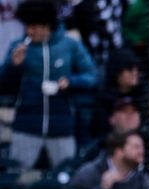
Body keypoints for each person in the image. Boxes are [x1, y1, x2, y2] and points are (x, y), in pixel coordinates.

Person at [0, 0, 97, 169]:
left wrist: (71, 82)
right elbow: (3, 82)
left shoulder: (70, 45)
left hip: (61, 124)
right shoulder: (19, 46)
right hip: (27, 124)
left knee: (66, 174)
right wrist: (13, 65)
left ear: (47, 26)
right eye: (27, 26)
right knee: (18, 175)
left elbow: (92, 76)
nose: (29, 31)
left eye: (34, 27)